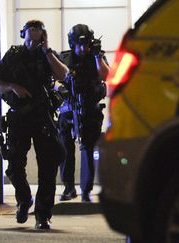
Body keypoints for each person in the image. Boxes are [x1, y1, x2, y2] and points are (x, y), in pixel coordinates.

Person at [0, 20, 68, 230]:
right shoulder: (14, 54)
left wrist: (47, 51)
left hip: (42, 116)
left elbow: (63, 75)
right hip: (19, 117)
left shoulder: (48, 55)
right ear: (23, 33)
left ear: (43, 35)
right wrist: (12, 86)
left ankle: (43, 215)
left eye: (38, 34)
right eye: (30, 33)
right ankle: (24, 200)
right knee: (14, 164)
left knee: (48, 165)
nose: (34, 38)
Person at [56, 24, 109, 202]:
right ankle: (69, 187)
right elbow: (53, 79)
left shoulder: (96, 58)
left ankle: (86, 190)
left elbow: (106, 76)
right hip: (69, 110)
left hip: (89, 110)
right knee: (65, 149)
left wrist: (96, 56)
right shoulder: (64, 58)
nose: (83, 48)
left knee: (87, 149)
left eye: (86, 44)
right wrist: (60, 88)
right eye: (79, 45)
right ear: (72, 44)